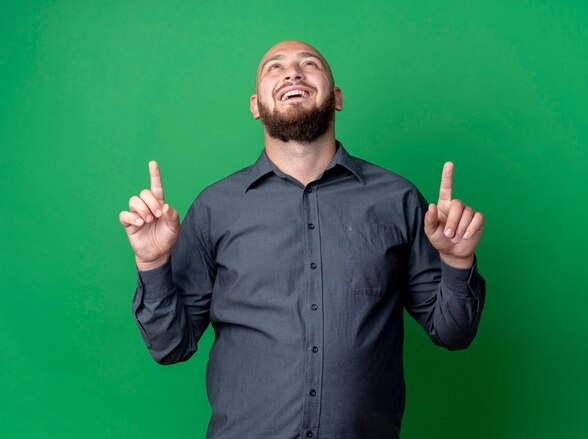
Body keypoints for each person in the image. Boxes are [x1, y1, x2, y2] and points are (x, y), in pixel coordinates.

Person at [119, 40, 486, 439]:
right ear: (256, 106)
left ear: (338, 97)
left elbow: (454, 332)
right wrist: (153, 265)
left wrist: (457, 262)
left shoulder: (397, 199)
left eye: (309, 64)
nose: (293, 72)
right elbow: (170, 346)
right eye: (274, 68)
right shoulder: (214, 208)